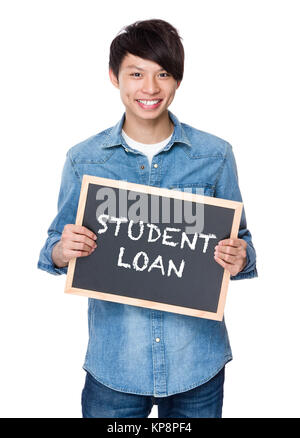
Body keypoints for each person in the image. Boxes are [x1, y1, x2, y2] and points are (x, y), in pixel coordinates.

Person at [37, 19, 258, 418]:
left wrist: (241, 257)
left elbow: (242, 244)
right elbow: (54, 245)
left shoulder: (215, 156)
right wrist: (60, 250)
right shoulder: (84, 159)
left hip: (197, 365)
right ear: (114, 77)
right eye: (136, 74)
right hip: (115, 368)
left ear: (177, 81)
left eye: (163, 74)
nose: (150, 88)